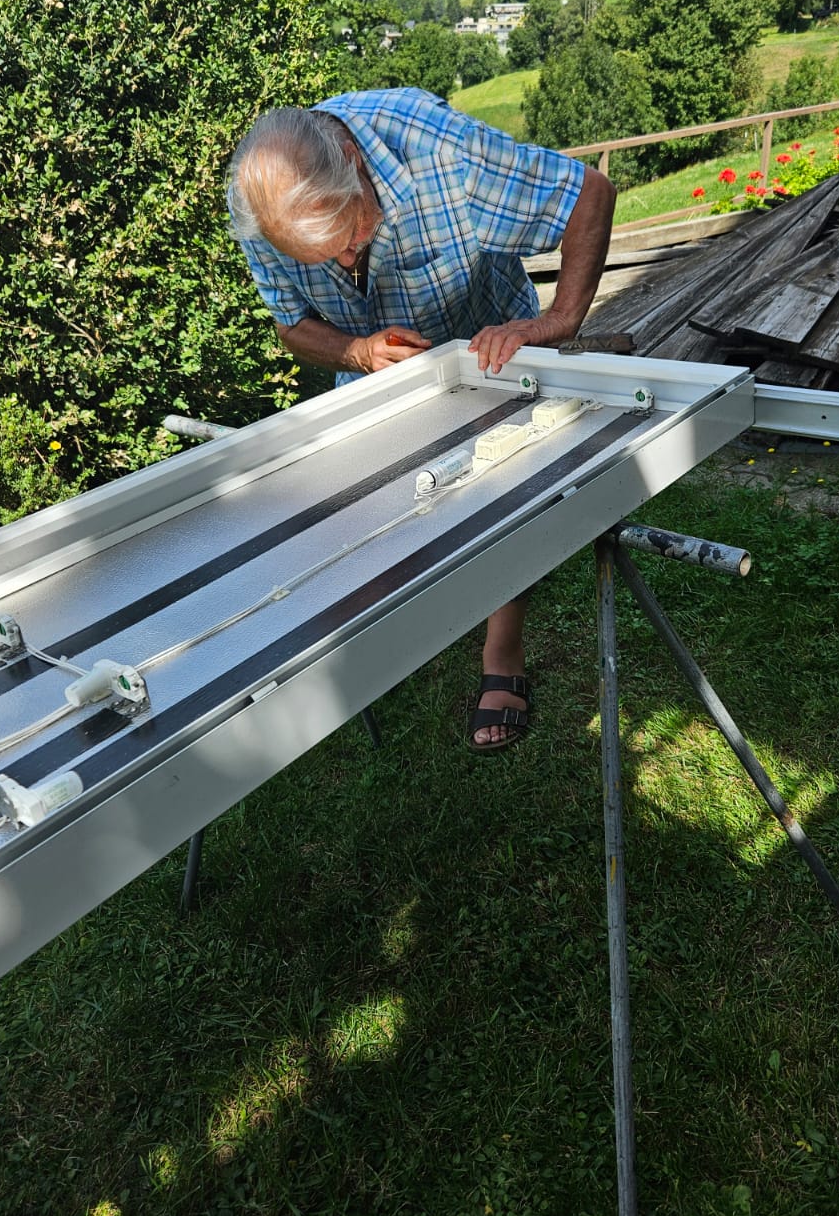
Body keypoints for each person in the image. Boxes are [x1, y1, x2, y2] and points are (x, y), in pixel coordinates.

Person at [227, 86, 615, 749]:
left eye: (351, 239)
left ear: (353, 164)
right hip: (377, 379)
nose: (345, 265)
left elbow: (590, 194)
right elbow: (291, 325)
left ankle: (502, 649)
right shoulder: (262, 206)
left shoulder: (437, 150)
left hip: (488, 353)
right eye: (320, 261)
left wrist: (557, 320)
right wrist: (354, 350)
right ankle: (393, 629)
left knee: (501, 494)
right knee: (367, 509)